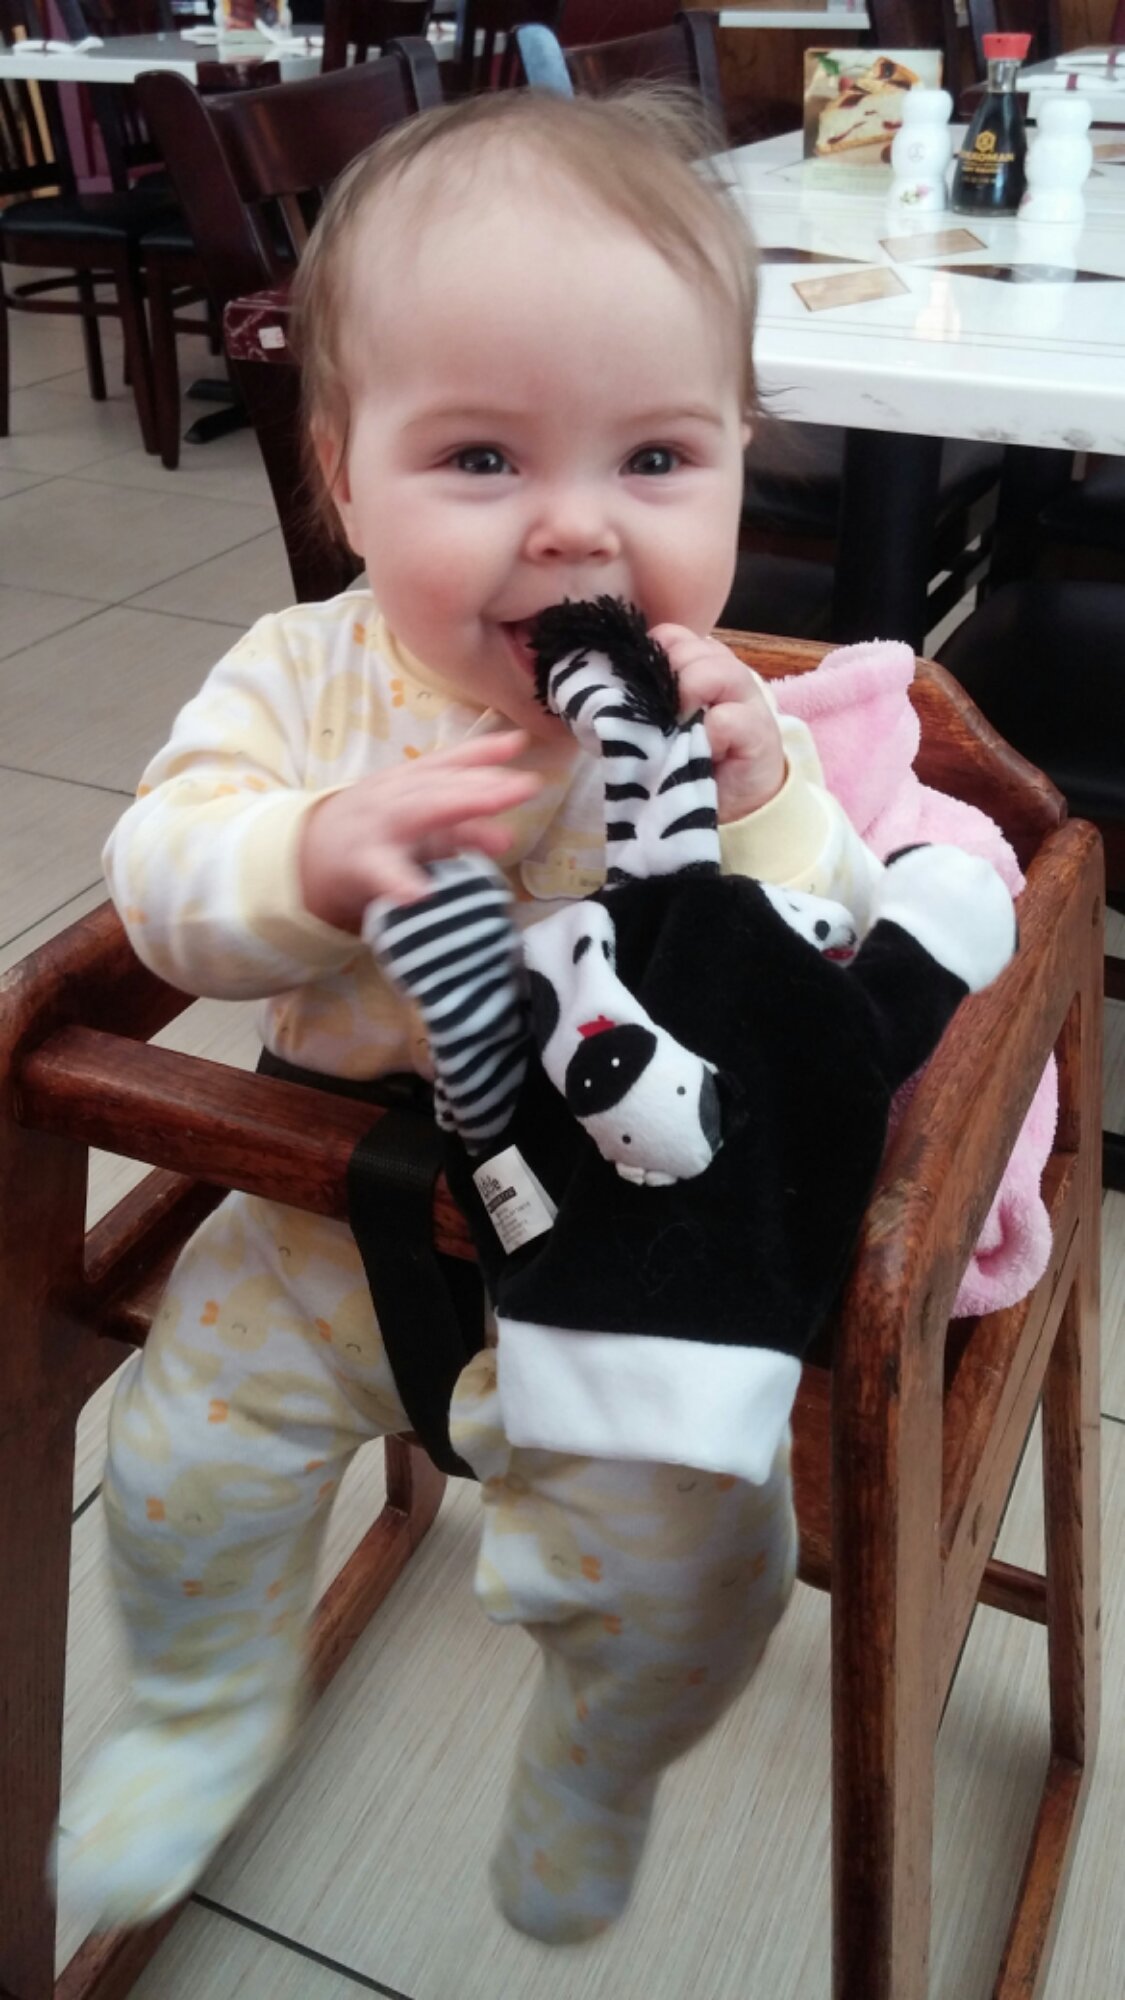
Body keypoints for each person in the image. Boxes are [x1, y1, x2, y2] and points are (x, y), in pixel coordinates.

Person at [57, 86, 884, 1945]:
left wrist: (768, 805)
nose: (576, 527)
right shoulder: (303, 678)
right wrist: (308, 851)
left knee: (706, 1578)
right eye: (483, 458)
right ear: (344, 476)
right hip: (319, 1238)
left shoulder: (711, 719)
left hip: (625, 1287)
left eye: (655, 457)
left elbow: (820, 954)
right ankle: (200, 1712)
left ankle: (601, 1754)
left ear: (739, 464)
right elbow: (157, 877)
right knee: (182, 1470)